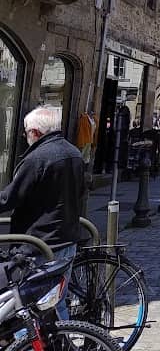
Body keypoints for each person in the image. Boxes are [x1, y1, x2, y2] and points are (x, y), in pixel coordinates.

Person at [0, 107, 84, 321]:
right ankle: (64, 340)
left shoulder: (37, 158)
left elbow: (9, 198)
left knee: (28, 308)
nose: (25, 136)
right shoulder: (73, 152)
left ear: (35, 132)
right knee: (55, 302)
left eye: (27, 131)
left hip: (40, 241)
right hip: (66, 237)